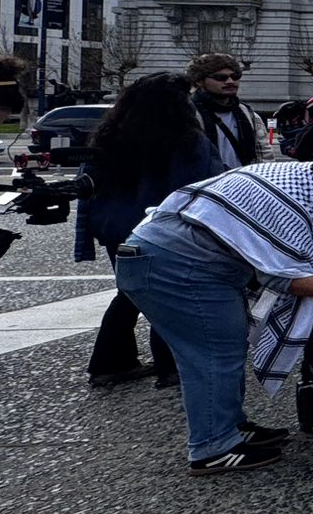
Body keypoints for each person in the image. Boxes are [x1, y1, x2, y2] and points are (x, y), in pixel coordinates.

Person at [112, 148, 313, 473]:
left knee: (226, 348)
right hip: (177, 268)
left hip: (168, 259)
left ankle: (229, 427)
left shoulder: (299, 177)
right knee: (212, 355)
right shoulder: (296, 202)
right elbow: (284, 278)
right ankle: (212, 448)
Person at [75, 73, 224, 390]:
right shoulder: (186, 141)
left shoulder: (111, 137)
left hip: (115, 228)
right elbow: (203, 188)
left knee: (129, 293)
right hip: (164, 229)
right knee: (171, 294)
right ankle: (170, 366)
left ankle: (111, 362)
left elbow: (88, 186)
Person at [187, 52, 269, 169]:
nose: (230, 81)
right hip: (204, 183)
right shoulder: (188, 113)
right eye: (221, 77)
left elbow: (263, 155)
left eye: (235, 76)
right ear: (199, 81)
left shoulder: (248, 114)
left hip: (243, 183)